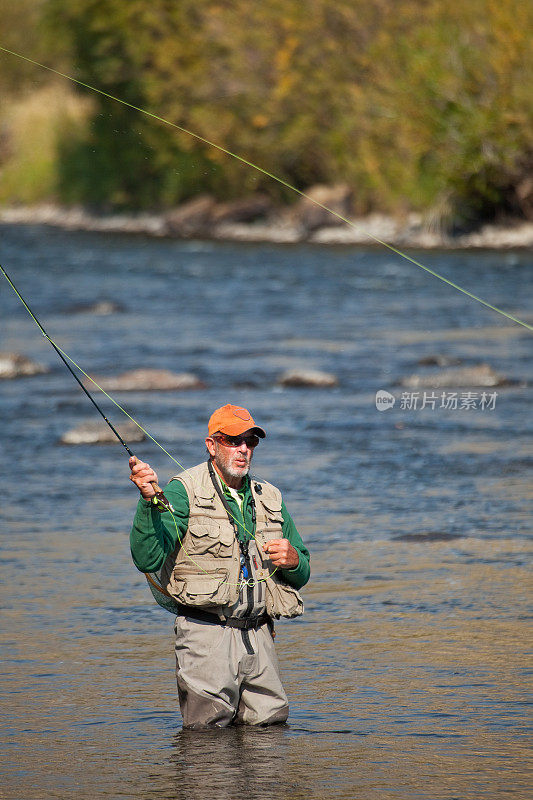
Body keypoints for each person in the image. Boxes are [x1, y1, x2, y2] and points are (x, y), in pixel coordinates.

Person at [129, 403, 310, 728]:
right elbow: (147, 558)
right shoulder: (182, 491)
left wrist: (293, 560)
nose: (243, 449)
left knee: (270, 738)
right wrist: (147, 503)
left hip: (260, 639)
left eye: (251, 441)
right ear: (211, 445)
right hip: (206, 639)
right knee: (207, 751)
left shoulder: (269, 495)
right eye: (233, 440)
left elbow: (303, 571)